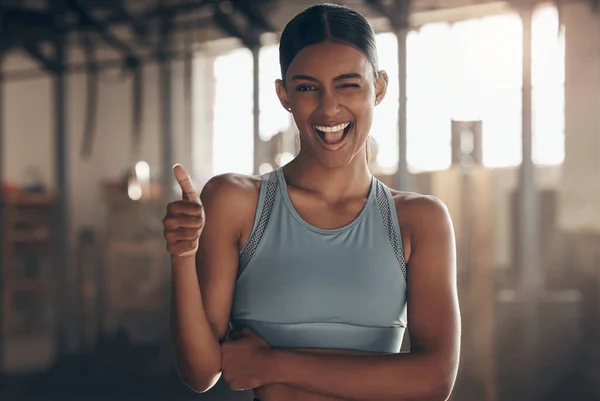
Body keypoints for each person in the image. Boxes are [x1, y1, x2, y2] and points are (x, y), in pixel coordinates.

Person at [164, 3, 461, 401]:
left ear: (379, 87)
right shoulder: (237, 202)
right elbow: (201, 373)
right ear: (284, 95)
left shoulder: (419, 220)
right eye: (307, 87)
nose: (329, 108)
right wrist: (183, 256)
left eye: (348, 84)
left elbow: (435, 381)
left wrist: (275, 364)